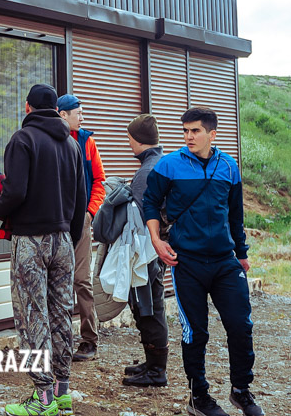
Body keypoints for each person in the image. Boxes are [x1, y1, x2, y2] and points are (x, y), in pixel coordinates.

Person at [142, 107, 263, 416]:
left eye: (195, 131)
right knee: (195, 332)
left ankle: (241, 390)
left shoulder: (229, 167)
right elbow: (150, 202)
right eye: (185, 131)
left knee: (241, 325)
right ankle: (199, 397)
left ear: (212, 134)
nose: (188, 136)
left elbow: (235, 215)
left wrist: (242, 254)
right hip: (187, 262)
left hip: (224, 261)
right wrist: (157, 240)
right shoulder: (169, 165)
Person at [0, 83, 87, 416]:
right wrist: (70, 236)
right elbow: (80, 198)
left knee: (32, 316)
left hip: (30, 240)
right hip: (63, 239)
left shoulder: (23, 139)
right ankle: (62, 393)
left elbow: (15, 192)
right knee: (61, 314)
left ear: (27, 107)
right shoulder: (72, 144)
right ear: (56, 110)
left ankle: (42, 399)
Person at [56, 93, 106, 361]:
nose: (82, 118)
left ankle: (89, 340)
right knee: (56, 281)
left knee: (81, 280)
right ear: (63, 115)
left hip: (82, 222)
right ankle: (59, 340)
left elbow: (99, 180)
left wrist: (89, 213)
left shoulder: (87, 142)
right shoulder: (51, 139)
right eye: (79, 114)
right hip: (55, 221)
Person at [120, 114, 169, 388]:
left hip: (149, 250)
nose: (128, 143)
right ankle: (152, 364)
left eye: (129, 139)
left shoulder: (147, 172)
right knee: (150, 304)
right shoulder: (162, 163)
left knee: (149, 306)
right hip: (159, 248)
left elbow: (140, 218)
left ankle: (157, 371)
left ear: (139, 140)